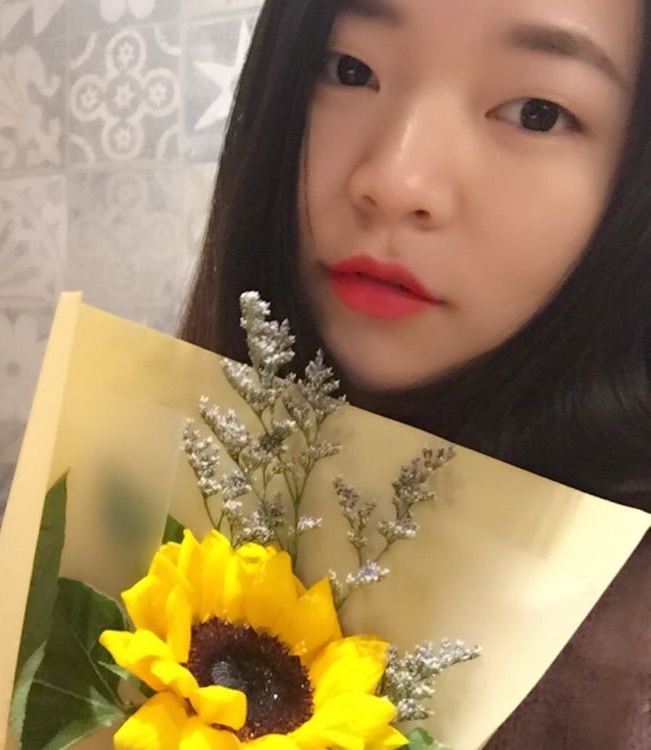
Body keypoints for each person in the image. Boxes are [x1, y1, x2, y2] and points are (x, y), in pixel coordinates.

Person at [181, 1, 651, 747]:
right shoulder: (159, 469)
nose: (396, 180)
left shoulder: (624, 670)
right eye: (349, 70)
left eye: (536, 113)